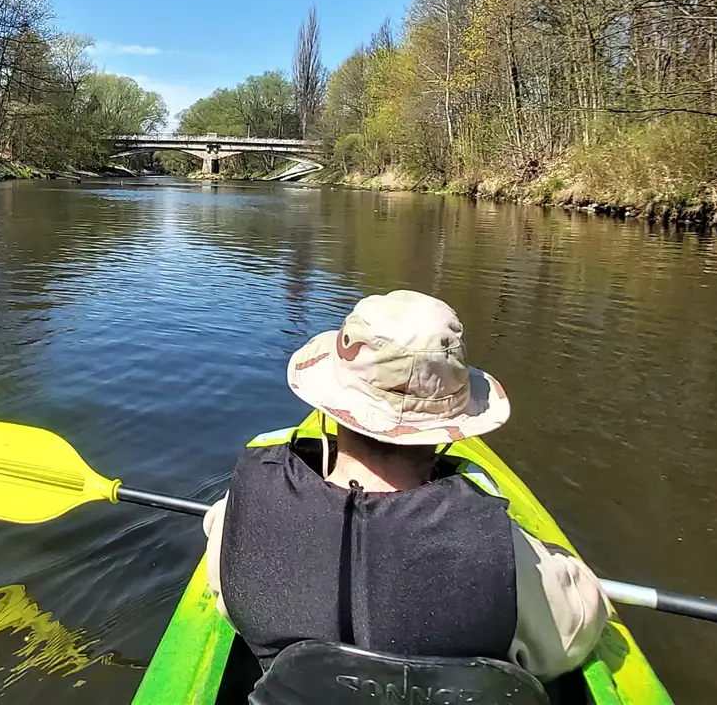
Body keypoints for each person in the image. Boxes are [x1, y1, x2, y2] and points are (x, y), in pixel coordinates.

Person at [200, 289, 608, 682]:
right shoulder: (499, 548)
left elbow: (221, 547)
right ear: (446, 428)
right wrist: (554, 561)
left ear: (332, 409)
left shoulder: (246, 508)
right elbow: (572, 639)